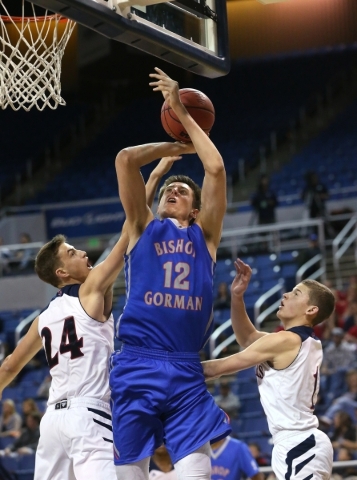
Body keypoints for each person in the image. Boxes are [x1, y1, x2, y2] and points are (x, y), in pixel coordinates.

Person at [0, 157, 176, 480]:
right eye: (72, 252)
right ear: (62, 273)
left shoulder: (42, 319)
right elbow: (131, 228)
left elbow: (10, 365)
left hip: (51, 423)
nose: (82, 253)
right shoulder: (93, 288)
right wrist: (151, 178)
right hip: (89, 414)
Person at [111, 67, 231, 480]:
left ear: (196, 210)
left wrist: (181, 109)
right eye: (167, 192)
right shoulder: (141, 228)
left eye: (182, 193)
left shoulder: (206, 237)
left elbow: (214, 170)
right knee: (130, 470)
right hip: (137, 362)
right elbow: (126, 160)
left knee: (196, 470)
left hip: (185, 365)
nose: (172, 192)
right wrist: (176, 147)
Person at [202, 258, 336, 480]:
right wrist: (237, 297)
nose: (285, 295)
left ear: (311, 309)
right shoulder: (295, 341)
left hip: (299, 441)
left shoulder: (286, 341)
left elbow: (218, 368)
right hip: (295, 441)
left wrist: (165, 369)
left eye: (295, 293)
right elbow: (249, 338)